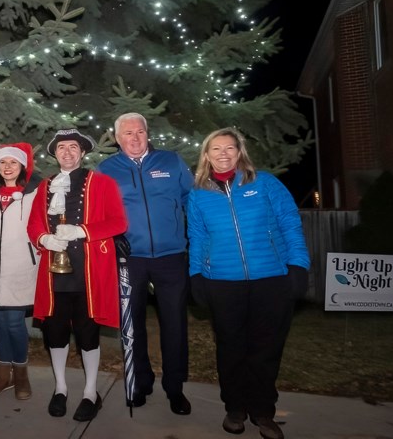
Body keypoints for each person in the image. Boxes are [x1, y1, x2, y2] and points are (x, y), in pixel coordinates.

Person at [186, 128, 310, 439]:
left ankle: (264, 411)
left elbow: (290, 223)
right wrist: (196, 274)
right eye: (216, 149)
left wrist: (298, 265)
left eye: (230, 148)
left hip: (271, 279)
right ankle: (235, 408)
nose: (223, 153)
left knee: (266, 349)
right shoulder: (198, 194)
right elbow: (198, 238)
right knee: (230, 348)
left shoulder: (265, 183)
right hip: (223, 283)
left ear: (240, 152)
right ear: (207, 155)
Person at [96, 112, 194, 415]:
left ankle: (175, 387)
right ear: (117, 138)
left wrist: (192, 237)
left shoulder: (170, 161)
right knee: (132, 324)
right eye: (127, 133)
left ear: (147, 133)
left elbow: (193, 200)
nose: (135, 138)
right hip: (130, 258)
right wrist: (114, 238)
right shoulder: (106, 170)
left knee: (174, 323)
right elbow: (100, 214)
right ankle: (141, 380)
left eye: (140, 132)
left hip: (171, 256)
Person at [27, 128, 127, 422]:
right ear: (55, 154)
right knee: (55, 331)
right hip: (53, 273)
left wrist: (83, 231)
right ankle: (60, 388)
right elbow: (33, 224)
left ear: (82, 153)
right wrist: (43, 239)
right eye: (61, 148)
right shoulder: (44, 187)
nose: (67, 152)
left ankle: (90, 392)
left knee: (87, 332)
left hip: (89, 271)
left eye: (73, 147)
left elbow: (118, 222)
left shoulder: (103, 183)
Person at [0, 142, 39, 400]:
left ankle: (21, 376)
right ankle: (4, 376)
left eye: (13, 162)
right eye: (3, 162)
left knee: (13, 322)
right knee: (1, 323)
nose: (8, 167)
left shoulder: (34, 193)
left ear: (22, 166)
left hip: (20, 268)